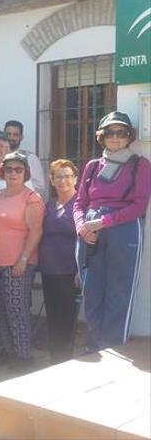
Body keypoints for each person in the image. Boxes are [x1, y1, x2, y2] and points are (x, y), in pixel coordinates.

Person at [74, 111, 151, 352]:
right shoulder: (93, 166)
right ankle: (94, 343)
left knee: (120, 289)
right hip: (91, 230)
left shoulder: (140, 164)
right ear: (102, 136)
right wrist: (81, 227)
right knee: (92, 287)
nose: (115, 137)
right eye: (110, 132)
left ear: (130, 136)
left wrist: (103, 222)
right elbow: (79, 202)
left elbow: (139, 206)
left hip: (123, 229)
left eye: (121, 132)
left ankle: (113, 345)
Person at [0, 152, 44, 371]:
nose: (13, 173)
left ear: (25, 172)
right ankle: (9, 351)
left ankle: (24, 357)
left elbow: (35, 232)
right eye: (9, 169)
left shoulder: (31, 198)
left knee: (16, 310)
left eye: (18, 169)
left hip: (17, 263)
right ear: (2, 172)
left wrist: (24, 259)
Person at [39, 159, 81, 364]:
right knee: (53, 318)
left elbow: (86, 241)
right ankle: (54, 361)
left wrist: (80, 271)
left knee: (67, 320)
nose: (63, 180)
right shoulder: (48, 206)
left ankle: (65, 362)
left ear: (75, 179)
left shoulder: (81, 205)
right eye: (58, 176)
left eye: (67, 176)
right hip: (48, 270)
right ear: (52, 180)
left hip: (69, 272)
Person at [4, 120, 48, 199]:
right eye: (8, 134)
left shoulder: (30, 158)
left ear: (21, 137)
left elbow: (40, 188)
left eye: (15, 135)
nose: (11, 137)